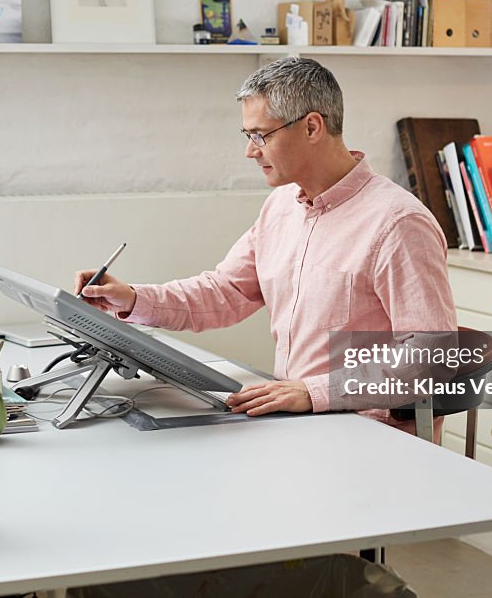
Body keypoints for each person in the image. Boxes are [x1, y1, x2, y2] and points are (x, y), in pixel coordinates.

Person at [75, 57, 456, 436]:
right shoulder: (281, 207)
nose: (250, 151)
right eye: (248, 136)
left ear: (311, 126)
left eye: (261, 135)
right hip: (296, 424)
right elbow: (227, 291)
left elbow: (433, 359)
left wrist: (314, 392)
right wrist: (132, 298)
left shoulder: (398, 223)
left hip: (370, 436)